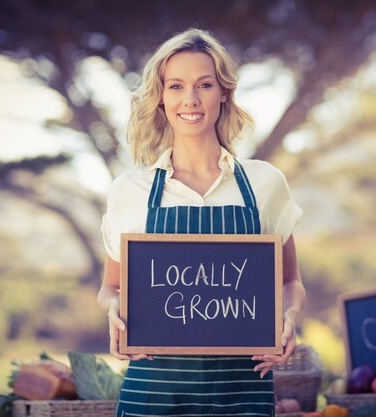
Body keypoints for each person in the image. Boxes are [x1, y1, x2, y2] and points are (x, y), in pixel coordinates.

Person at [97, 28, 307, 416]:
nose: (190, 100)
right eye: (175, 86)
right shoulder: (129, 189)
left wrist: (288, 317)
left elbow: (290, 282)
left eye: (204, 85)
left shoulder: (265, 183)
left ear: (224, 92)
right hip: (152, 394)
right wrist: (113, 309)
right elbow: (111, 286)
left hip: (242, 394)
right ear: (161, 97)